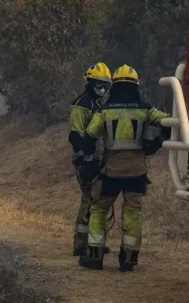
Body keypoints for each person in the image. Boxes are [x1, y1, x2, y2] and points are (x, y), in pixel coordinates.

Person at [80, 64, 170, 272]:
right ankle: (128, 259)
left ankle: (94, 256)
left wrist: (89, 161)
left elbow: (89, 136)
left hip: (110, 172)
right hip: (137, 172)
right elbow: (170, 122)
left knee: (98, 209)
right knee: (133, 213)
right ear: (136, 86)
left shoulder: (104, 111)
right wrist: (155, 144)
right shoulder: (146, 109)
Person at [68, 62, 112, 256]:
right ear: (90, 82)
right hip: (87, 160)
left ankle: (88, 241)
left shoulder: (97, 104)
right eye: (99, 83)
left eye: (105, 85)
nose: (102, 88)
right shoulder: (82, 104)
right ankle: (82, 243)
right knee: (90, 200)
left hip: (97, 159)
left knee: (94, 200)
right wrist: (85, 159)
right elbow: (76, 135)